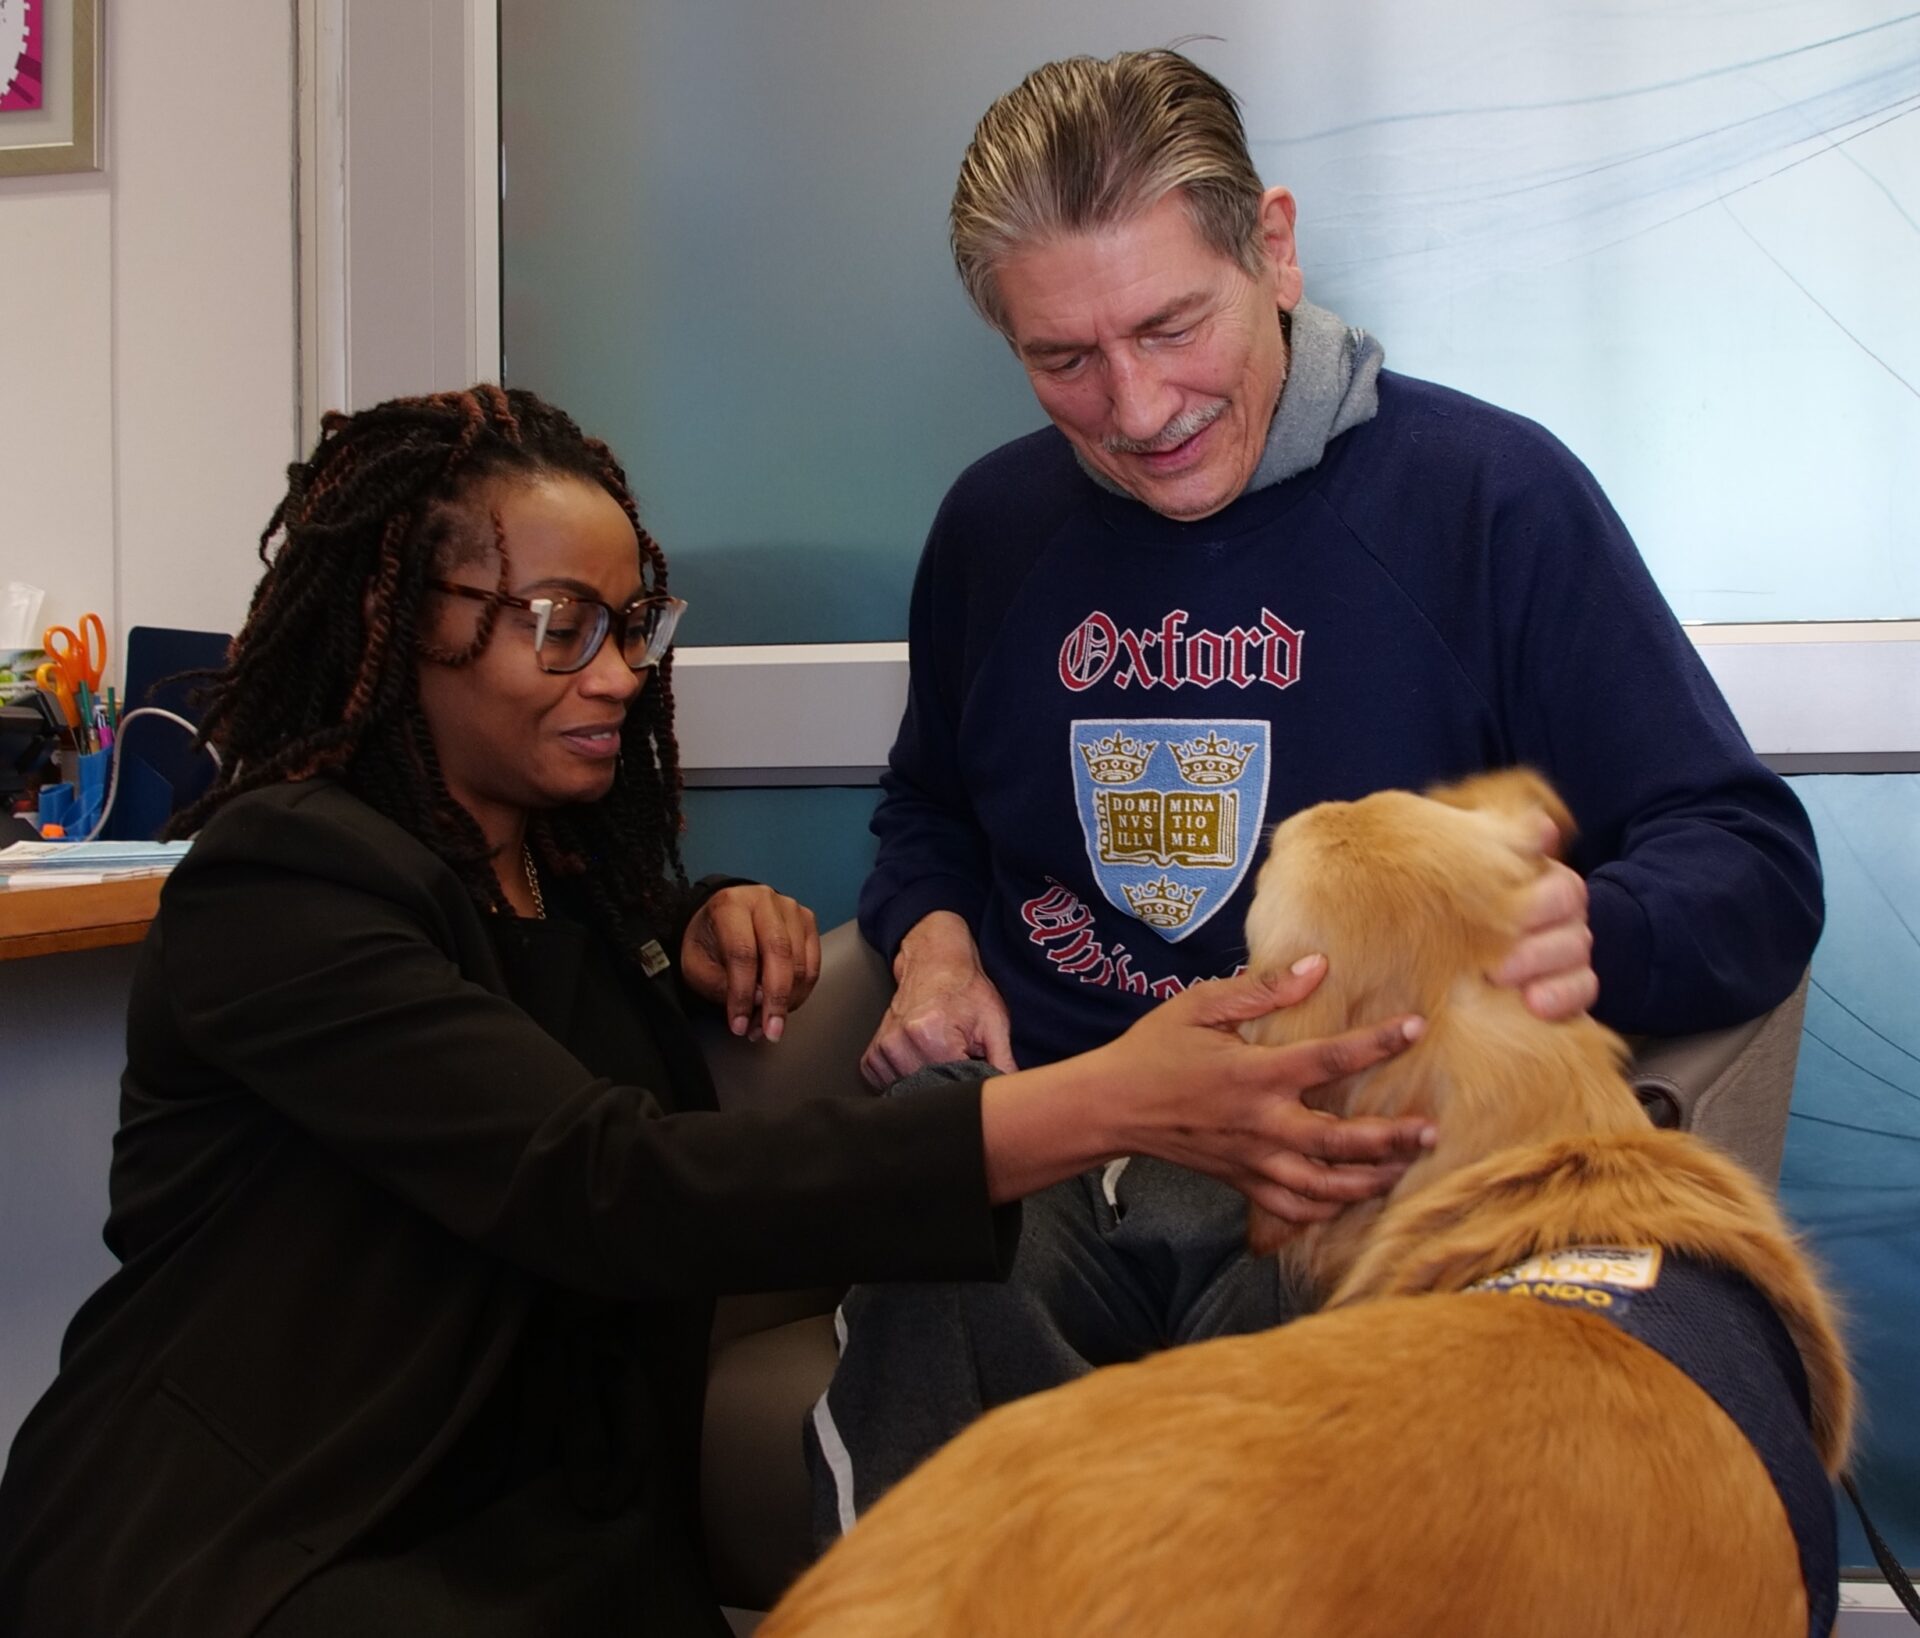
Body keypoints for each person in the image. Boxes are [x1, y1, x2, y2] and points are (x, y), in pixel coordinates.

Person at [0, 387, 1434, 1637]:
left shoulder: (565, 877)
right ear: (400, 621)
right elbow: (598, 1178)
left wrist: (694, 914)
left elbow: (564, 971)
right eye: (559, 627)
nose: (620, 671)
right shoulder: (285, 878)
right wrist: (1097, 1099)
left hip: (549, 1531)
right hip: (277, 1529)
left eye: (631, 625)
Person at [806, 49, 1824, 1541]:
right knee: (920, 1251)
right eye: (1064, 358)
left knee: (1258, 1494)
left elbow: (1750, 856)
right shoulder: (991, 529)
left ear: (1272, 247)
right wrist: (938, 941)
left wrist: (1591, 923)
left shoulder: (1490, 498)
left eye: (1171, 324)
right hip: (1056, 1133)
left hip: (1334, 1164)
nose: (1138, 406)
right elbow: (930, 814)